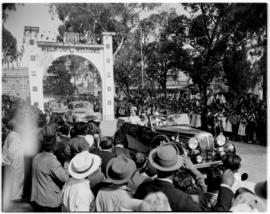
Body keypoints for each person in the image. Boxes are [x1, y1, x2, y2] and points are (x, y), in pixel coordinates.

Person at [134, 143, 235, 212]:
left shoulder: (143, 188)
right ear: (175, 168)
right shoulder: (182, 199)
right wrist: (225, 186)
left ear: (156, 166)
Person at [31, 126, 69, 212]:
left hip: (38, 198)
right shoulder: (52, 162)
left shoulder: (37, 157)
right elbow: (65, 178)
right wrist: (66, 163)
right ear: (54, 147)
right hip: (50, 201)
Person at [2, 119, 25, 202]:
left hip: (13, 162)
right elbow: (12, 152)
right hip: (16, 162)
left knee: (15, 179)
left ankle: (14, 195)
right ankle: (15, 196)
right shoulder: (14, 137)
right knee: (16, 180)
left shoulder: (11, 135)